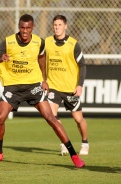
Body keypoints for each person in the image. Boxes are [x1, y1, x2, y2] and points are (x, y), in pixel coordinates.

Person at [0, 14, 85, 168]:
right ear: (19, 27)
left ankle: (74, 155)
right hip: (13, 86)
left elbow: (41, 58)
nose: (25, 31)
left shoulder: (39, 42)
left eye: (28, 28)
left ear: (32, 28)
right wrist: (0, 59)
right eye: (22, 27)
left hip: (33, 86)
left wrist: (44, 80)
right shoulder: (8, 41)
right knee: (0, 117)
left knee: (51, 118)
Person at [45, 15, 89, 156]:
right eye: (55, 25)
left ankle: (85, 142)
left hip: (70, 88)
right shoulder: (47, 42)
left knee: (78, 119)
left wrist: (80, 85)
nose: (57, 27)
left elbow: (82, 65)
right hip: (53, 86)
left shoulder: (73, 44)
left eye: (59, 25)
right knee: (51, 116)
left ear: (65, 26)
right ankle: (65, 143)